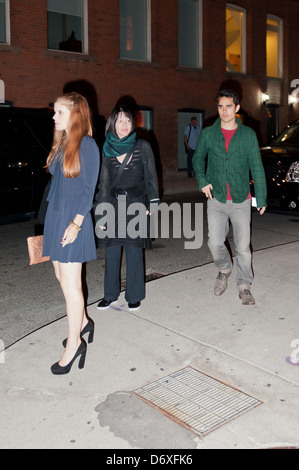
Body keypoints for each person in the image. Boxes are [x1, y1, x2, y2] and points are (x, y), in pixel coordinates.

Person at [42, 92, 100, 374]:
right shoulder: (63, 141)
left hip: (71, 219)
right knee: (59, 277)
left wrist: (76, 224)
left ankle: (74, 343)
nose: (54, 117)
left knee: (71, 286)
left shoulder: (87, 145)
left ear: (76, 114)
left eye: (60, 112)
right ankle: (84, 321)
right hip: (55, 215)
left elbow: (88, 190)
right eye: (54, 112)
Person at [193, 89, 267, 305]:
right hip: (216, 198)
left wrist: (261, 197)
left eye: (228, 106)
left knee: (243, 247)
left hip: (240, 198)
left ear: (236, 108)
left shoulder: (247, 135)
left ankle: (244, 285)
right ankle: (224, 269)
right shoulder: (208, 133)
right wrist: (202, 180)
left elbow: (257, 167)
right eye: (220, 106)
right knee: (215, 242)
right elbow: (198, 160)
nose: (224, 111)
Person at [94, 105, 160, 312]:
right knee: (112, 253)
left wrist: (152, 203)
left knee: (134, 252)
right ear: (112, 123)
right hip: (113, 205)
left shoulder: (142, 145)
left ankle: (134, 295)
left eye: (128, 121)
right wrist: (102, 214)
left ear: (133, 124)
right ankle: (110, 295)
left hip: (137, 204)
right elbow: (103, 184)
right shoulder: (106, 148)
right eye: (120, 120)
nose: (124, 125)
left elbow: (151, 177)